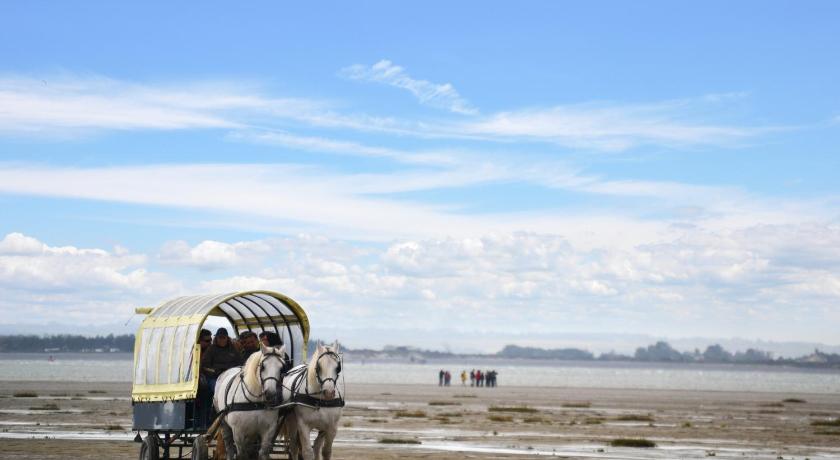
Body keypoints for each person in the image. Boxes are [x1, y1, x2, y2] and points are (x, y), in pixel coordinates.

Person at [201, 328, 243, 395]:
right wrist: (215, 371)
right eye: (219, 338)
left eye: (224, 338)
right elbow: (205, 366)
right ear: (216, 338)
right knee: (219, 390)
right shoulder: (211, 350)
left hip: (231, 375)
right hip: (215, 377)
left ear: (227, 338)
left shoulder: (233, 349)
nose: (222, 340)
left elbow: (240, 362)